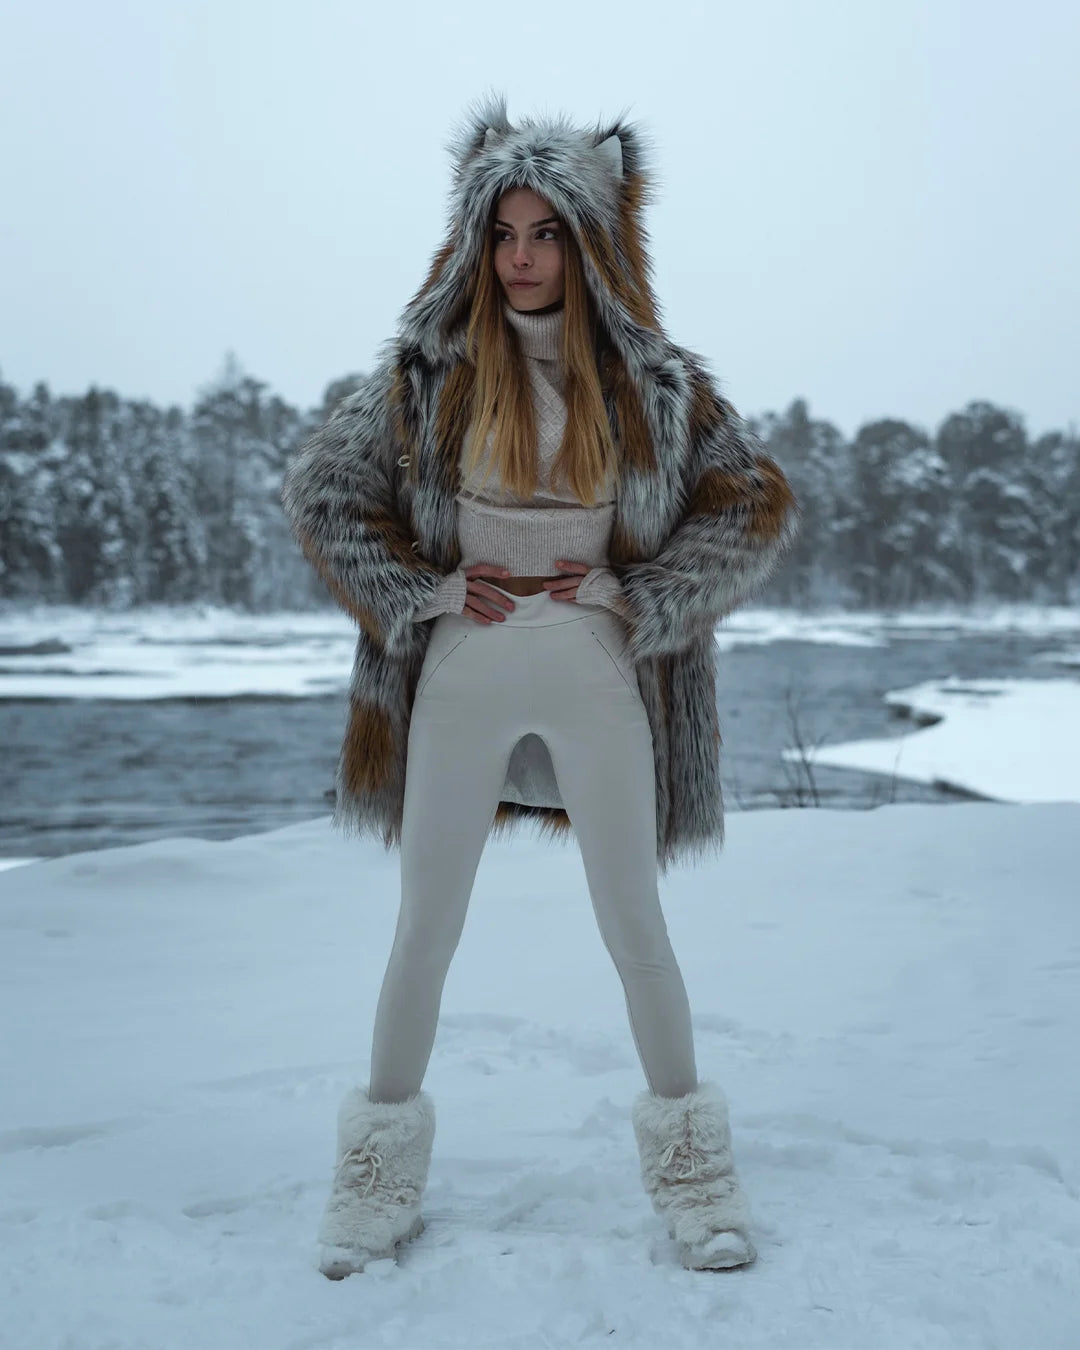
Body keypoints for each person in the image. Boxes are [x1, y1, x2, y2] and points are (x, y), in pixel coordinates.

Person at [281, 95, 800, 1279]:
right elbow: (324, 494)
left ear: (591, 237)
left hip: (598, 672)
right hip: (462, 674)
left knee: (637, 930)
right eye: (504, 232)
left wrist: (649, 593)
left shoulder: (651, 385)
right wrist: (419, 594)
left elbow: (752, 501)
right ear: (477, 238)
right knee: (425, 931)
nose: (521, 257)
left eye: (547, 232)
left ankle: (697, 1184)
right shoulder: (429, 374)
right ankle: (371, 1189)